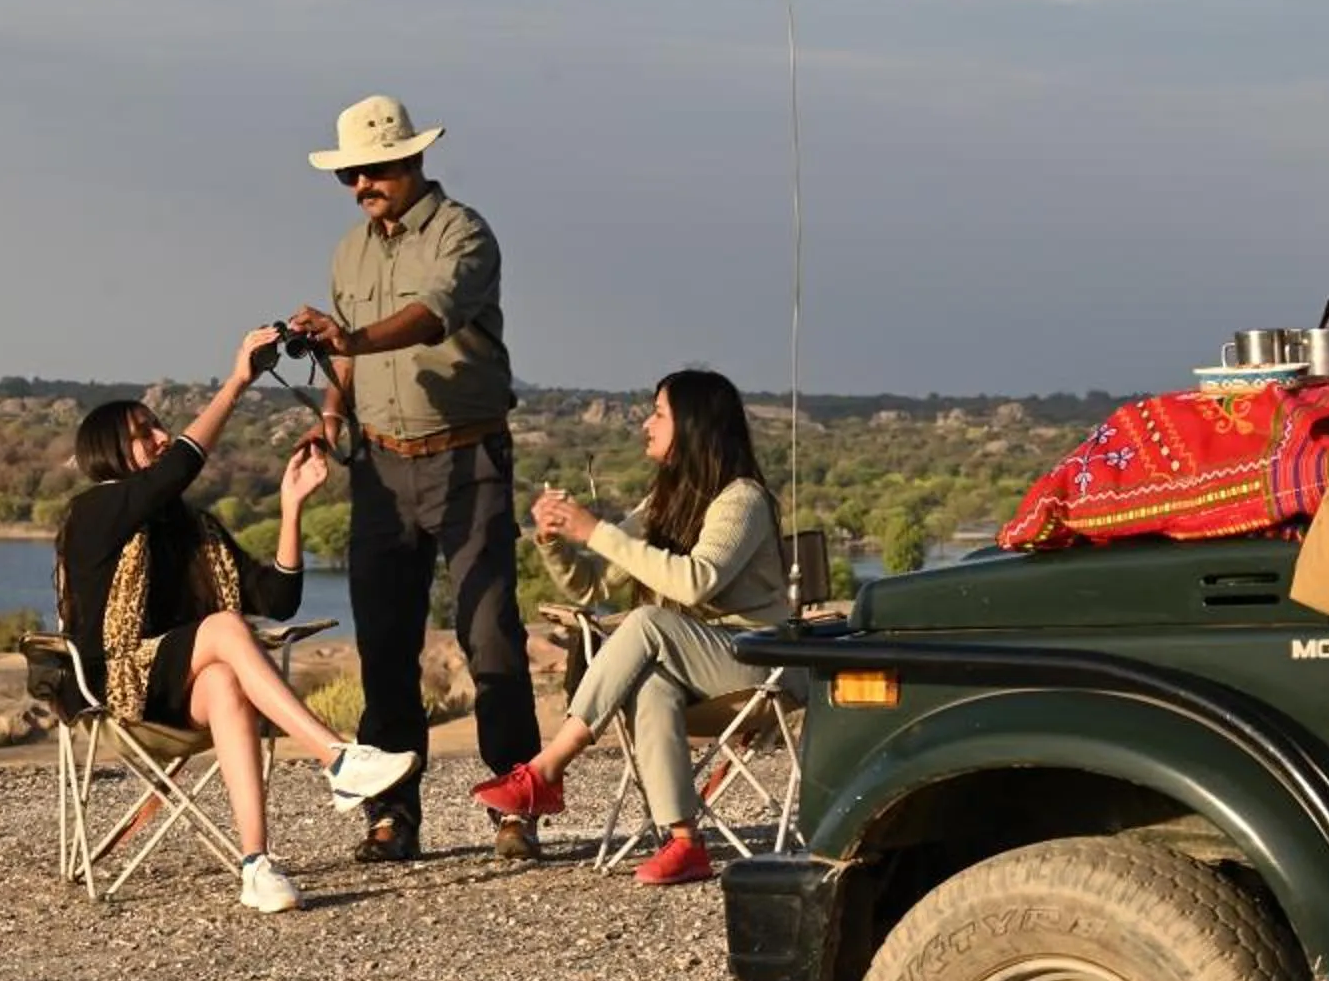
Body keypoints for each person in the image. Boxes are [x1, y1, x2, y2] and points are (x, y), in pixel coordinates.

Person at [55, 323, 418, 913]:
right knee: (225, 629)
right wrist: (238, 381)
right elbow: (178, 467)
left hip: (178, 690)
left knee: (225, 677)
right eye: (143, 431)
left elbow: (276, 600)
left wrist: (291, 509)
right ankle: (339, 759)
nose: (161, 435)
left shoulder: (194, 528)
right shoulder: (96, 511)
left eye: (157, 425)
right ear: (109, 452)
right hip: (116, 687)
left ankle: (257, 864)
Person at [286, 95, 540, 864]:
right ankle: (392, 814)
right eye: (349, 174)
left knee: (490, 633)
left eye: (374, 169)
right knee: (384, 643)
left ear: (413, 161)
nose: (362, 183)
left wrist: (353, 335)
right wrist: (332, 413)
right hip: (381, 466)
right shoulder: (349, 253)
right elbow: (351, 357)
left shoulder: (464, 233)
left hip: (470, 461)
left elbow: (433, 316)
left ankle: (518, 803)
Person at [471, 368, 791, 885]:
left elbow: (695, 583)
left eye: (659, 414)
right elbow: (593, 585)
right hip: (700, 669)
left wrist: (594, 528)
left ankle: (545, 770)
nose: (646, 424)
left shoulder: (742, 499)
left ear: (693, 425)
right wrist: (555, 541)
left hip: (761, 663)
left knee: (646, 624)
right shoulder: (665, 502)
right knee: (652, 685)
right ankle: (686, 841)